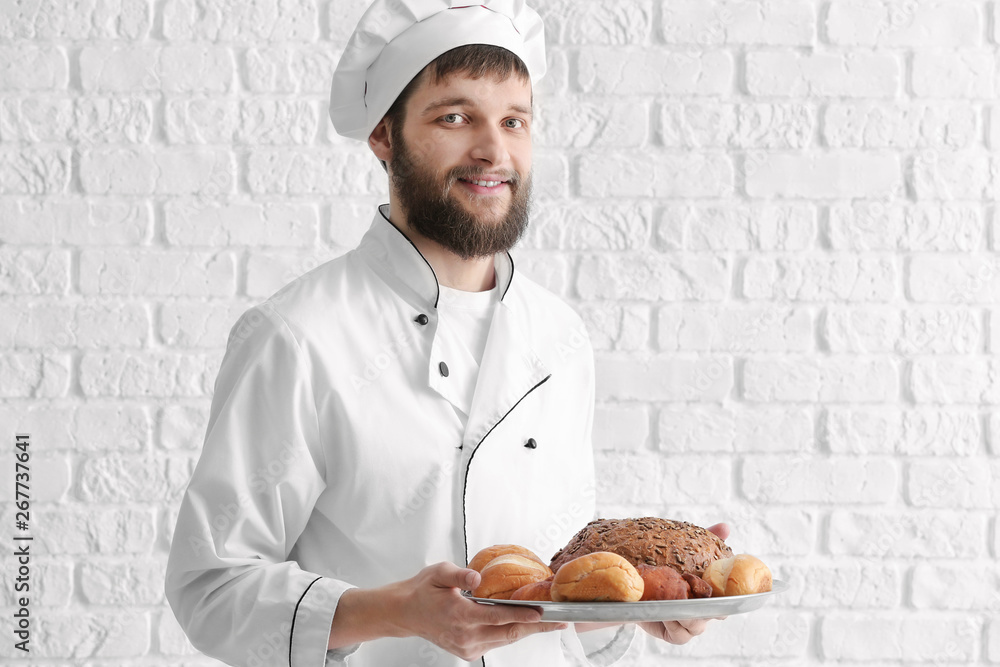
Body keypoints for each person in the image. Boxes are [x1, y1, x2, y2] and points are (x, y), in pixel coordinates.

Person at [165, 1, 727, 665]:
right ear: (384, 136)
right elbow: (210, 587)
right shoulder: (298, 336)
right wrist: (395, 611)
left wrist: (637, 610)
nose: (494, 149)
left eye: (514, 120)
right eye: (456, 116)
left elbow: (560, 591)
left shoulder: (561, 337)